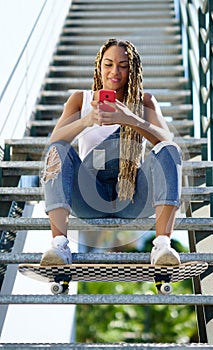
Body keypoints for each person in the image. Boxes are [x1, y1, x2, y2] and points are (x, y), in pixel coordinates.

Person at [40, 38, 182, 266]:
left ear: (132, 69)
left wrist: (131, 119)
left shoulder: (144, 101)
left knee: (168, 149)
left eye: (123, 66)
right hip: (88, 196)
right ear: (99, 65)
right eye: (108, 64)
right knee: (58, 149)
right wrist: (86, 121)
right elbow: (54, 143)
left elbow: (168, 141)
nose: (115, 72)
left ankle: (163, 246)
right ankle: (59, 246)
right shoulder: (81, 99)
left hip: (132, 197)